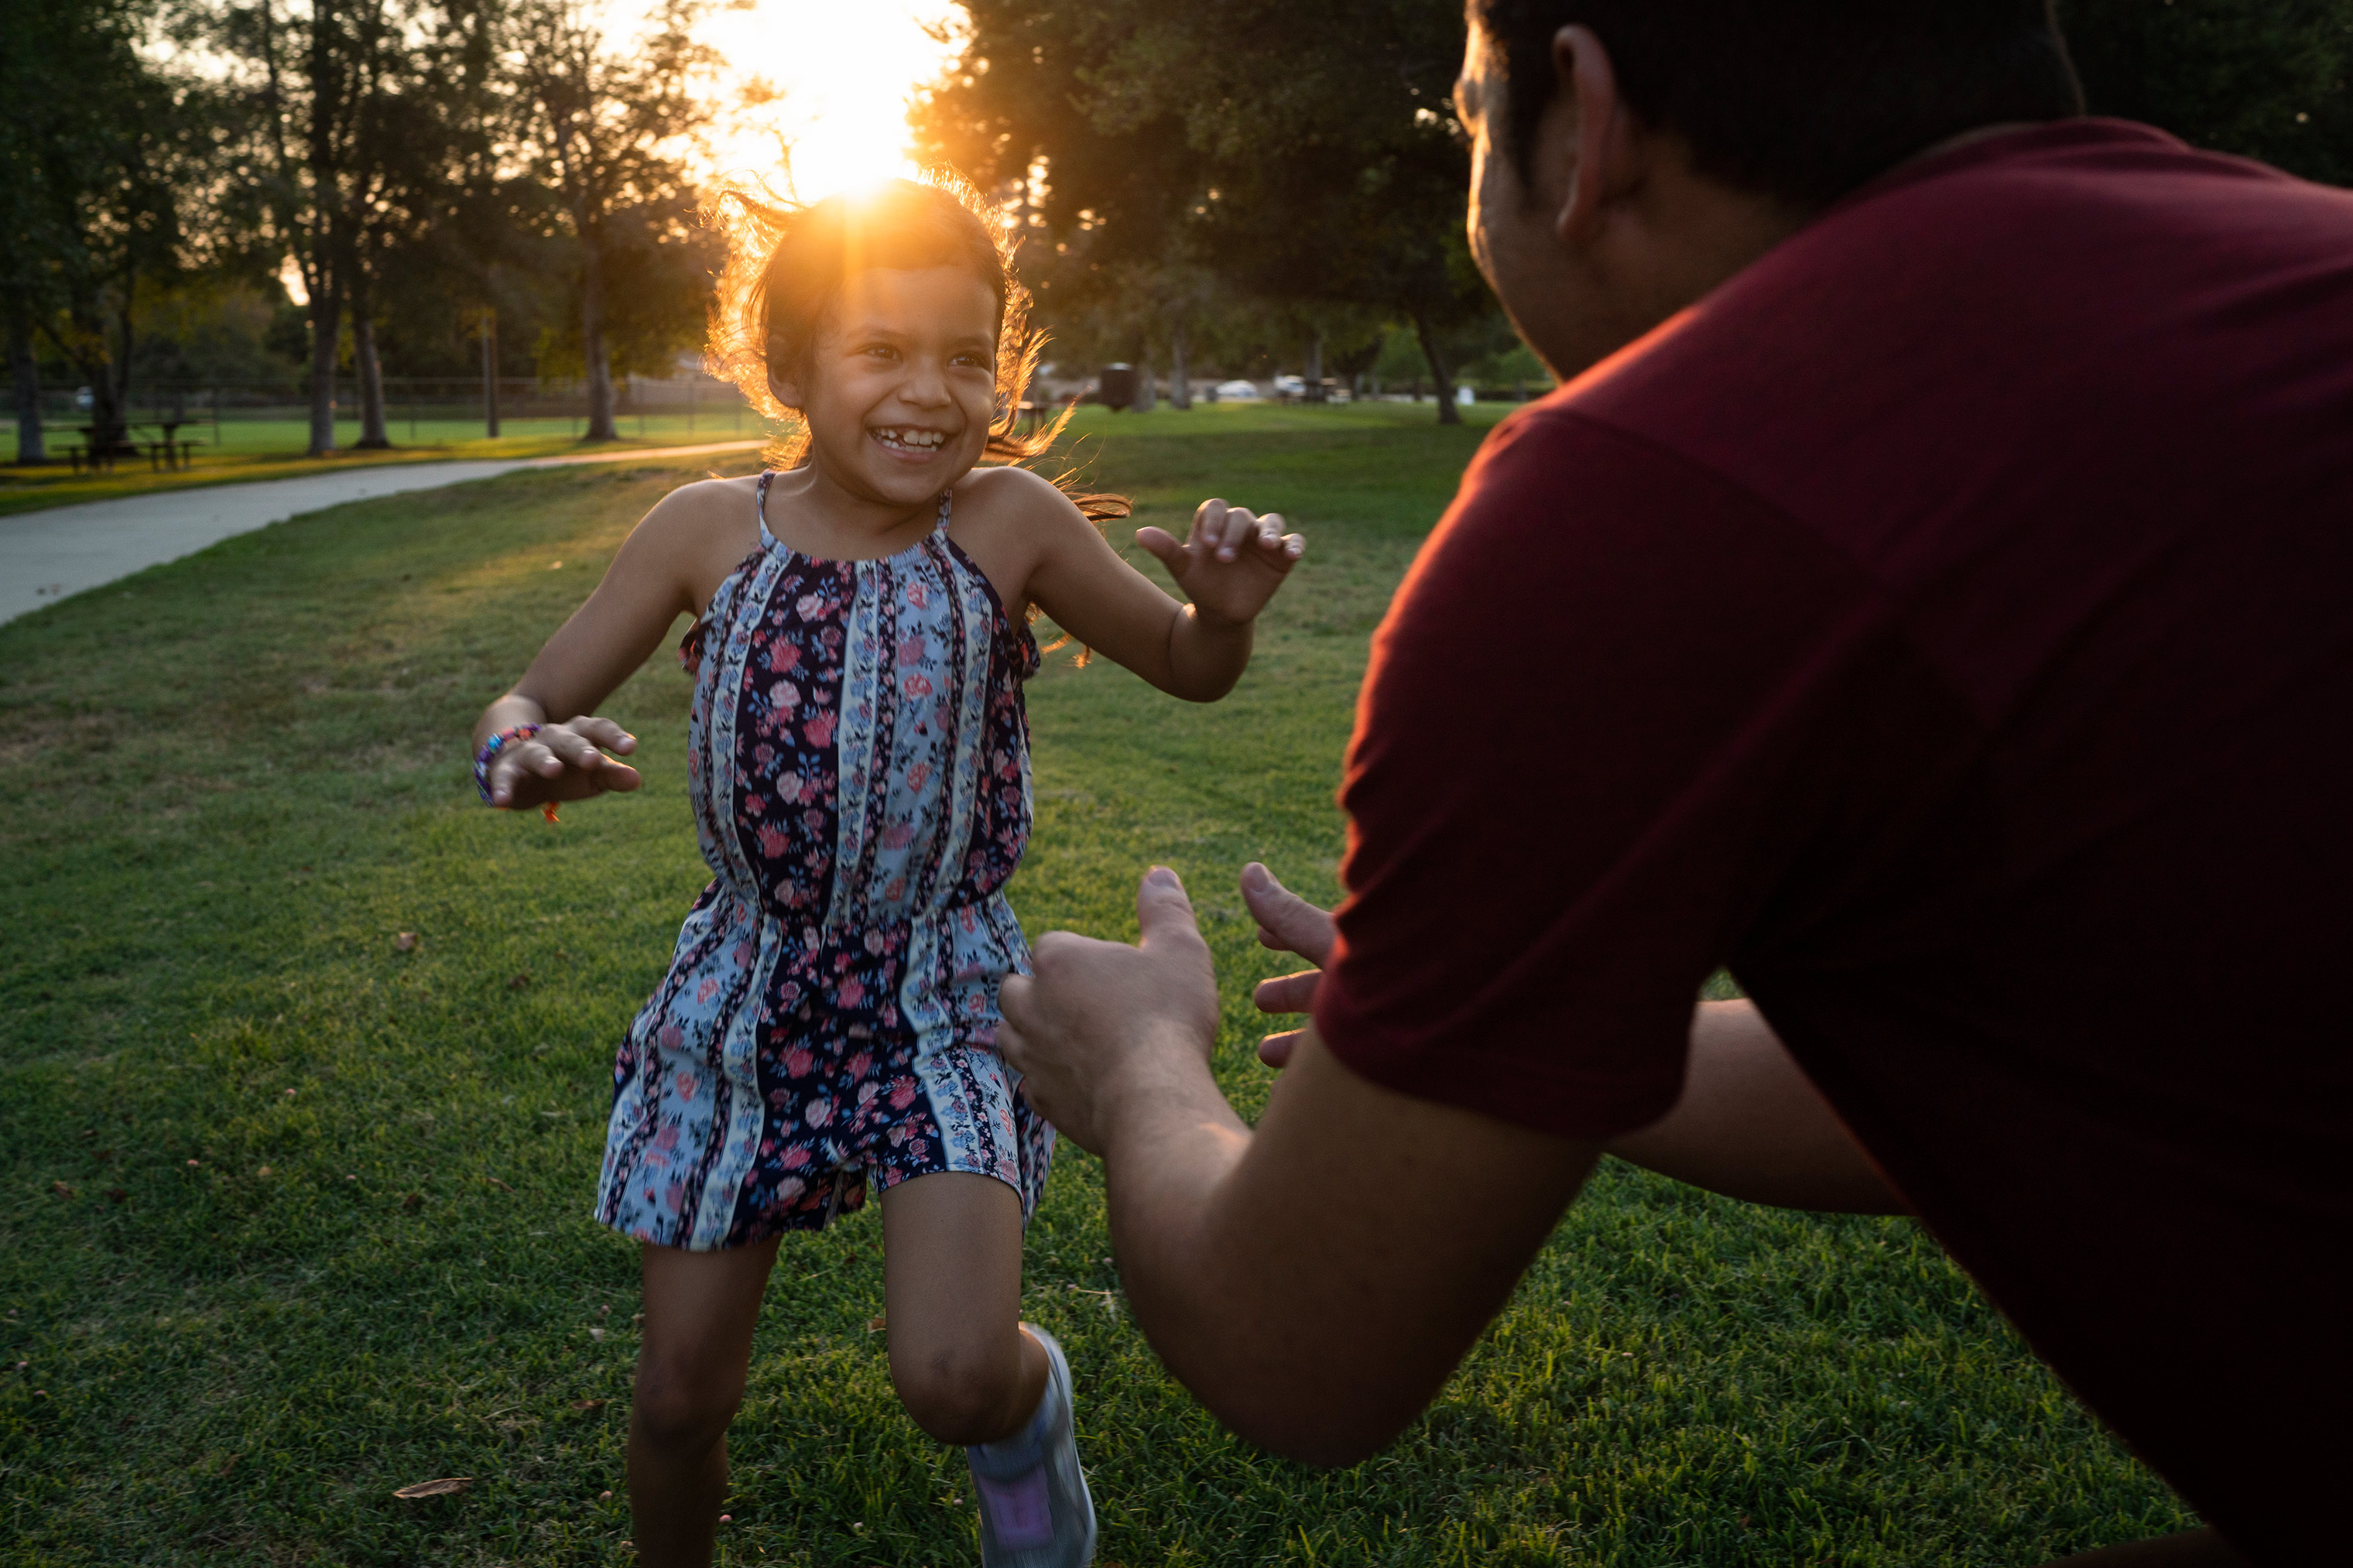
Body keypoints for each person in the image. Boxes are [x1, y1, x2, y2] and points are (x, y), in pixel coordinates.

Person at [992, 4, 2353, 1566]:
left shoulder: (1650, 492)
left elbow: (1297, 1346)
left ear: (1585, 122)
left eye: (1463, 128)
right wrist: (1502, 1043)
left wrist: (1141, 1061)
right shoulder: (2286, 272)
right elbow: (2109, 1029)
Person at [466, 173, 1304, 1568]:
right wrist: (518, 753)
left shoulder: (1009, 523)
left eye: (967, 358)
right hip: (742, 995)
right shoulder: (702, 532)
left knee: (954, 1376)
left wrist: (1221, 618)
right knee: (680, 1395)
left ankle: (1030, 1424)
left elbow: (1186, 665)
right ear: (792, 366)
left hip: (949, 988)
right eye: (881, 351)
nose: (932, 391)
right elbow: (521, 701)